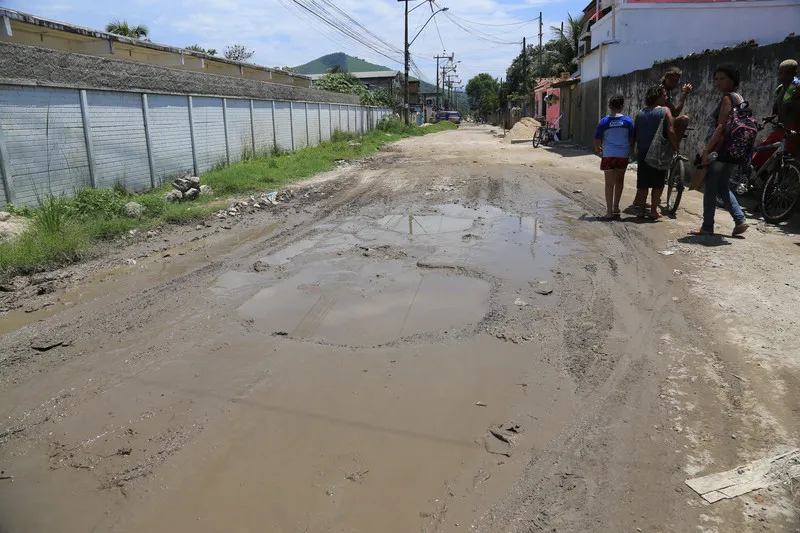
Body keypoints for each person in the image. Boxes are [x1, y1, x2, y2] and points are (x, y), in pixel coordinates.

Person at [692, 64, 749, 236]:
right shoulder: (740, 98)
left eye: (722, 78)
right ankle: (740, 220)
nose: (718, 82)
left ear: (732, 80)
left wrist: (706, 151)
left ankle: (707, 226)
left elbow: (721, 127)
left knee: (710, 187)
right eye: (716, 79)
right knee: (722, 186)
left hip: (719, 150)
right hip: (733, 150)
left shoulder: (727, 98)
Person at [633, 85, 678, 220]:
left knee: (643, 183)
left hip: (642, 152)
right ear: (658, 96)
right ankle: (653, 210)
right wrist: (675, 147)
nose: (667, 97)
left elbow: (635, 134)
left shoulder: (640, 113)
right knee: (658, 183)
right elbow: (670, 131)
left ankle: (641, 210)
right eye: (664, 95)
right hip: (658, 152)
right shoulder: (665, 111)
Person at [751, 59, 800, 168]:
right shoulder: (780, 90)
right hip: (780, 130)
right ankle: (765, 183)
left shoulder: (797, 88)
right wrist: (765, 122)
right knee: (758, 157)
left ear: (794, 73)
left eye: (787, 72)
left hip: (792, 131)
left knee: (782, 162)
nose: (783, 76)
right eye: (781, 72)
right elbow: (775, 112)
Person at [593, 95, 635, 219]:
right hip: (623, 155)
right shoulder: (628, 121)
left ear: (609, 106)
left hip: (609, 155)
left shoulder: (604, 121)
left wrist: (598, 148)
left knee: (609, 184)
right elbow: (632, 139)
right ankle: (616, 207)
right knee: (620, 181)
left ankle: (609, 212)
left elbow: (596, 138)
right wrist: (630, 150)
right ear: (622, 106)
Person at [661, 66, 693, 144]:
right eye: (671, 80)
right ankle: (673, 148)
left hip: (664, 124)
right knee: (684, 120)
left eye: (676, 81)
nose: (674, 83)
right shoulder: (663, 92)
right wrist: (684, 95)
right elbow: (675, 113)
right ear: (666, 78)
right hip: (660, 126)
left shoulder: (666, 91)